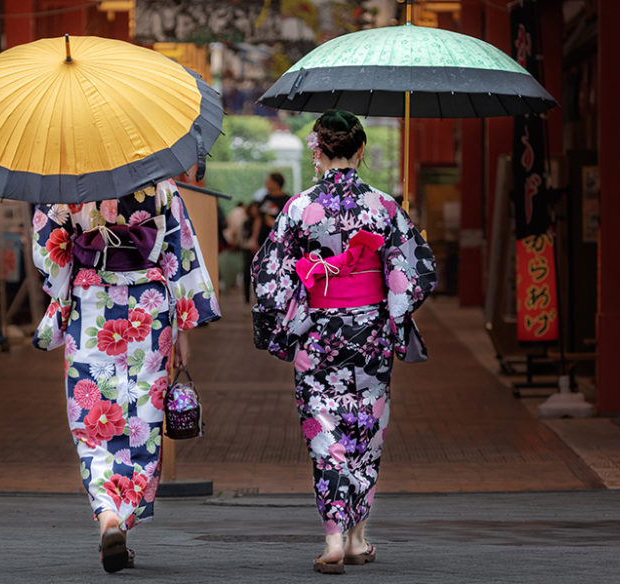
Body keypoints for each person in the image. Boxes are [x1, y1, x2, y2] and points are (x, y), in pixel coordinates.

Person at [250, 110, 436, 574]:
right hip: (369, 333)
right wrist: (396, 300)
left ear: (318, 151)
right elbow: (417, 271)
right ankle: (358, 537)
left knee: (325, 430)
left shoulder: (298, 207)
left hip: (318, 332)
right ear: (361, 151)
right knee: (366, 430)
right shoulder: (383, 205)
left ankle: (334, 538)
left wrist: (299, 303)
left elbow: (268, 275)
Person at [31, 180, 220, 573]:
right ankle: (123, 520)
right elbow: (179, 254)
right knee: (143, 420)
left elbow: (49, 252)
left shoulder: (67, 182)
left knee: (92, 417)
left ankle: (107, 518)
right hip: (147, 310)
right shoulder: (160, 185)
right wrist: (184, 329)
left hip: (90, 305)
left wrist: (70, 282)